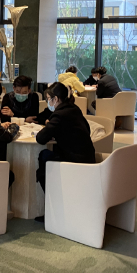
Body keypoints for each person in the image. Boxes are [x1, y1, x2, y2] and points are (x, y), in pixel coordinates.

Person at [35, 82, 96, 222]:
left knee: (44, 156)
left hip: (75, 161)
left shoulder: (59, 114)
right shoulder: (74, 109)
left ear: (55, 99)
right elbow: (86, 129)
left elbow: (40, 138)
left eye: (48, 99)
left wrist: (50, 128)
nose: (48, 102)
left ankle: (53, 206)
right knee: (49, 155)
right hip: (87, 157)